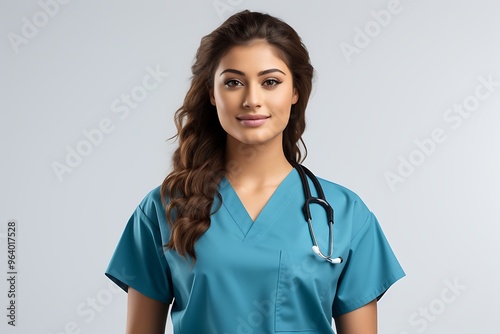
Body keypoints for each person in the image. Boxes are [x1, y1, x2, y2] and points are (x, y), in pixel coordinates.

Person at [105, 10, 405, 334]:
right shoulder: (163, 210)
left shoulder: (347, 214)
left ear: (295, 93)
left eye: (270, 82)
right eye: (233, 82)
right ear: (211, 92)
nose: (252, 100)